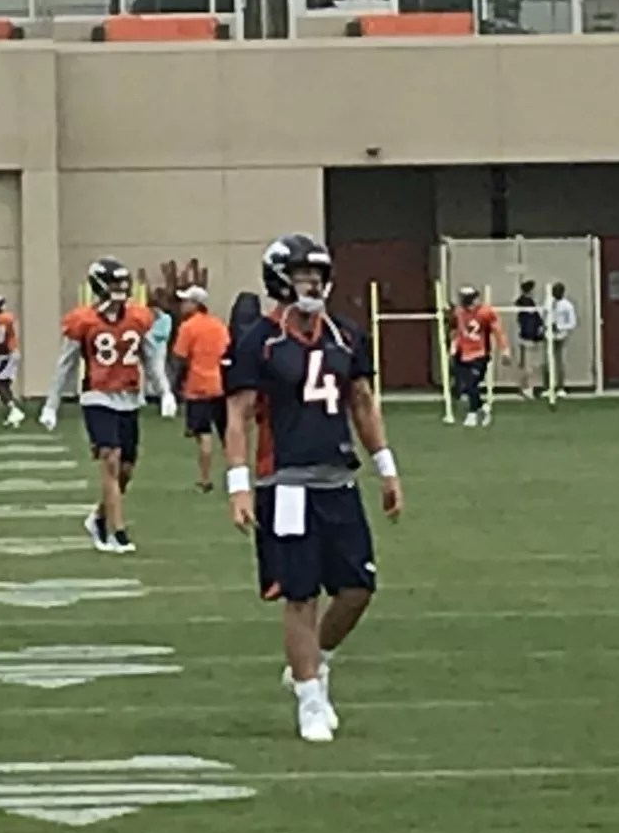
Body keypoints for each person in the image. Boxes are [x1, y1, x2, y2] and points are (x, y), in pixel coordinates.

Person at [223, 233, 403, 744]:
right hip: (285, 483)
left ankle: (312, 661)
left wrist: (387, 468)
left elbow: (362, 401)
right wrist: (238, 485)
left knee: (358, 588)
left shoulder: (344, 335)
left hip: (338, 479)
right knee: (299, 594)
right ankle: (309, 699)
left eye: (318, 275)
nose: (312, 285)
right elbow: (237, 414)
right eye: (303, 275)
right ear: (280, 279)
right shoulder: (259, 340)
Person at [40, 258, 177, 555]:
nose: (121, 288)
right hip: (97, 396)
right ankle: (118, 532)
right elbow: (66, 365)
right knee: (110, 460)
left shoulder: (137, 317)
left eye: (123, 283)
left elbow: (151, 358)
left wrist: (165, 392)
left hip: (128, 397)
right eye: (115, 283)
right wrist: (51, 404)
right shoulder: (83, 321)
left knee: (125, 470)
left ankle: (98, 518)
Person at [172, 285, 231, 493]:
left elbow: (181, 358)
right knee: (226, 436)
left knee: (203, 435)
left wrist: (176, 386)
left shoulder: (188, 327)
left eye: (186, 301)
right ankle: (232, 476)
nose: (182, 305)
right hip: (220, 384)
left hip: (197, 386)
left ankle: (204, 479)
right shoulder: (218, 325)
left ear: (195, 304)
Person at [449, 285, 509, 427]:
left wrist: (504, 349)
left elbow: (498, 331)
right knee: (465, 385)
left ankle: (472, 413)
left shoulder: (486, 312)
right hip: (462, 353)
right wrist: (453, 345)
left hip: (479, 353)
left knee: (472, 383)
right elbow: (455, 330)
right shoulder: (459, 312)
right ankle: (482, 407)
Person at [0, 295, 24, 427]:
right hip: (6, 355)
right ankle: (14, 413)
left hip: (7, 355)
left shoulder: (1, 320)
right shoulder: (2, 319)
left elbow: (1, 342)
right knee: (3, 384)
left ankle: (14, 410)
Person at [513, 280, 545, 398]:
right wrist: (536, 334)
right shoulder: (528, 304)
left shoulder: (522, 303)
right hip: (528, 336)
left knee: (525, 363)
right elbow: (530, 322)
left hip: (523, 335)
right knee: (529, 364)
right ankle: (528, 388)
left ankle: (524, 386)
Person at [545, 282, 576, 396]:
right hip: (549, 335)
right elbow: (545, 316)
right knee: (548, 362)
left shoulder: (567, 306)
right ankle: (548, 387)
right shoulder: (548, 302)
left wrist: (559, 327)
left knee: (560, 361)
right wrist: (546, 326)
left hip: (560, 336)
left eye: (557, 291)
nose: (555, 293)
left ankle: (560, 387)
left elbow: (572, 323)